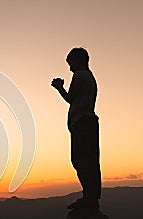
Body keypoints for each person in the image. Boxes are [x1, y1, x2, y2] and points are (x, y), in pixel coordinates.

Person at [51, 47, 101, 210]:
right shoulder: (89, 77)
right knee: (90, 160)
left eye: (71, 63)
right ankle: (91, 197)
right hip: (87, 122)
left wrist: (59, 87)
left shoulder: (80, 76)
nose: (70, 68)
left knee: (81, 160)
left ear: (79, 61)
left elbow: (71, 98)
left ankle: (89, 198)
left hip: (82, 123)